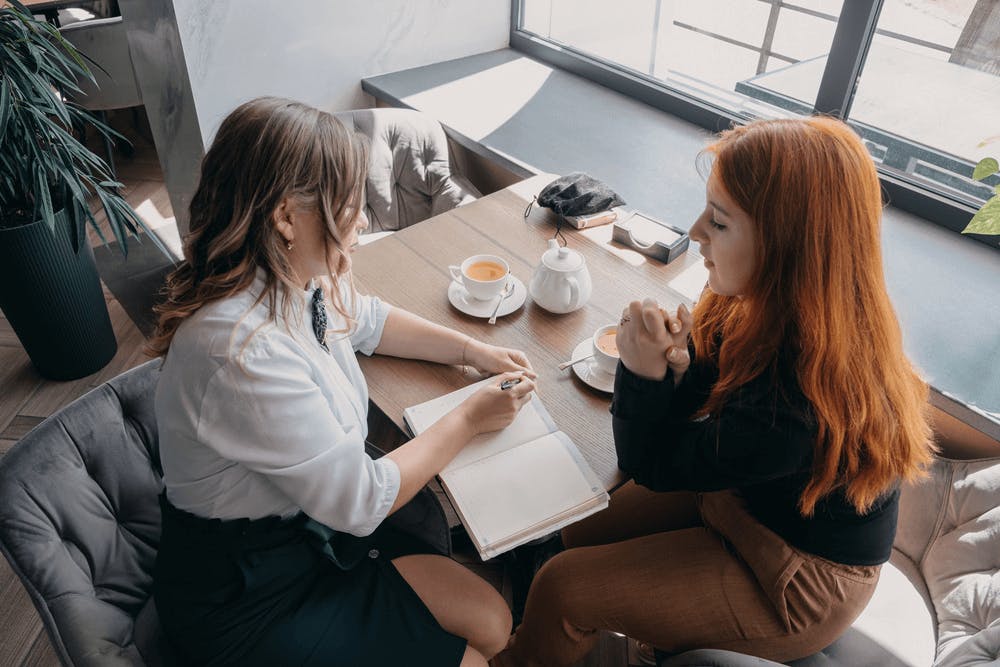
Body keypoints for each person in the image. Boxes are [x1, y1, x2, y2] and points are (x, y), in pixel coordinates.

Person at [493, 117, 935, 666]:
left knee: (564, 587)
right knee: (568, 531)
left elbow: (652, 465)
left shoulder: (803, 397)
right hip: (742, 498)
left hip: (800, 577)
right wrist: (675, 366)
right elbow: (691, 416)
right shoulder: (755, 302)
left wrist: (642, 372)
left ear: (785, 246)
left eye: (720, 223)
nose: (696, 230)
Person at [147, 97, 537, 667]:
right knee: (477, 658)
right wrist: (469, 417)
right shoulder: (237, 353)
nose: (362, 219)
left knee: (495, 624)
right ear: (285, 217)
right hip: (244, 591)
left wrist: (471, 351)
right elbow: (361, 499)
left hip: (308, 528)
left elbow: (369, 319)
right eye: (350, 204)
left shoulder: (291, 275)